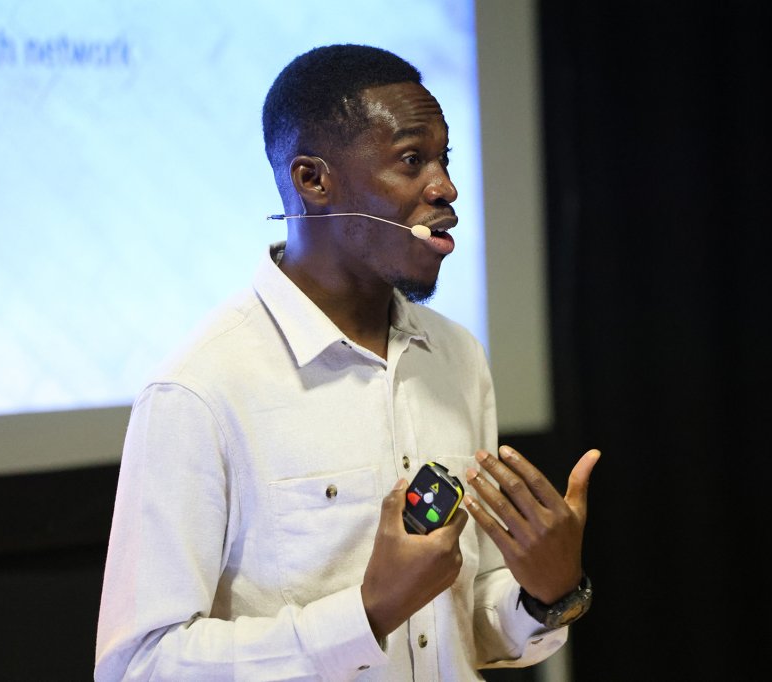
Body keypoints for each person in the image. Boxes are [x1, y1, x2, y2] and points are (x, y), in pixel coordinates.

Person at [95, 44, 600, 681]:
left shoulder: (456, 358)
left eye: (444, 160)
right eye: (412, 160)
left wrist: (547, 593)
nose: (444, 187)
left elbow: (455, 617)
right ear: (313, 180)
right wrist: (367, 612)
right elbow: (136, 667)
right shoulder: (200, 388)